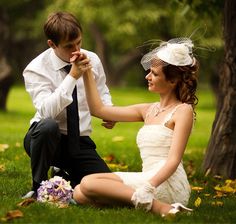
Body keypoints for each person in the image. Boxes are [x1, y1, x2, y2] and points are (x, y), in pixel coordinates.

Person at [71, 37, 199, 216]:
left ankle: (162, 207)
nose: (147, 76)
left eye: (154, 73)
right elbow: (99, 110)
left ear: (172, 81)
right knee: (79, 192)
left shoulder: (182, 111)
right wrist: (86, 71)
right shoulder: (147, 110)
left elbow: (173, 161)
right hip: (147, 178)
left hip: (165, 182)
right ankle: (140, 202)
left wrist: (149, 187)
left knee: (88, 184)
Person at [22, 11, 115, 199]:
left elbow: (102, 90)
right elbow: (46, 111)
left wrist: (109, 110)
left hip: (79, 142)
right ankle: (38, 186)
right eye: (69, 46)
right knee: (48, 126)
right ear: (52, 44)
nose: (77, 50)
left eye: (79, 42)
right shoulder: (36, 68)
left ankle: (63, 173)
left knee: (107, 187)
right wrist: (72, 76)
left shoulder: (92, 59)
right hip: (44, 140)